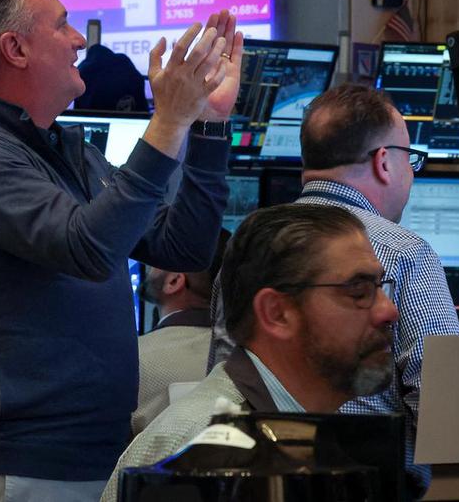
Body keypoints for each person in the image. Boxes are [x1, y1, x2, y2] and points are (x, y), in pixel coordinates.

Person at [0, 0, 242, 502]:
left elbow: (184, 248)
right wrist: (165, 124)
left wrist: (207, 123)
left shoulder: (69, 153)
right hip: (16, 465)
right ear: (15, 48)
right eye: (62, 26)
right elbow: (89, 250)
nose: (77, 41)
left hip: (92, 459)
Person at [207, 82, 459, 494]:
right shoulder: (404, 254)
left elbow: (224, 389)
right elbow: (444, 415)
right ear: (384, 161)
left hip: (255, 485)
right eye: (410, 158)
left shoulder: (248, 245)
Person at [101, 203, 399, 502]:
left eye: (380, 286)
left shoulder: (295, 433)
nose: (389, 310)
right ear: (277, 313)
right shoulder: (201, 452)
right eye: (358, 290)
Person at [132, 228, 231, 434]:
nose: (150, 264)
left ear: (174, 281)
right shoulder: (249, 359)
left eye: (160, 258)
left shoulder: (133, 360)